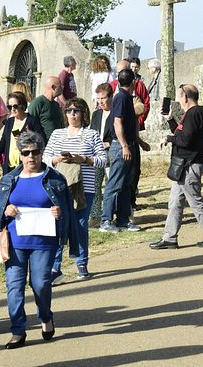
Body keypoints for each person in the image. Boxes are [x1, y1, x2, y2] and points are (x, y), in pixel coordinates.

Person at [0, 130, 74, 349]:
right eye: (26, 152)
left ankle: (45, 317)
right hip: (15, 242)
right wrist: (6, 210)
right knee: (14, 287)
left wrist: (59, 213)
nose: (31, 157)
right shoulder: (9, 179)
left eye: (36, 152)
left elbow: (67, 212)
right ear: (20, 154)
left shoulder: (55, 179)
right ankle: (18, 330)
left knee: (40, 284)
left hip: (43, 243)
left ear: (42, 152)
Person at [150, 84, 203, 249]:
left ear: (185, 97)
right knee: (175, 202)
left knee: (195, 201)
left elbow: (185, 140)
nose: (177, 100)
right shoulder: (192, 114)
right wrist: (170, 120)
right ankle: (169, 238)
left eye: (179, 96)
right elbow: (182, 134)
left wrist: (168, 138)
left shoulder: (195, 113)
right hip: (184, 165)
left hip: (189, 165)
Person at [43, 97, 106, 281]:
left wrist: (84, 159)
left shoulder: (91, 134)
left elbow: (103, 159)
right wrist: (56, 160)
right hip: (60, 188)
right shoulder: (57, 134)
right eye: (69, 110)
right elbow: (46, 157)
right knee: (59, 226)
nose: (72, 114)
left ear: (83, 114)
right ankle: (55, 268)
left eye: (76, 111)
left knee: (80, 225)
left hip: (84, 187)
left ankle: (81, 262)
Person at [100, 69, 140, 233]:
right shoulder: (121, 98)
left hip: (128, 145)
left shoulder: (126, 98)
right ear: (133, 82)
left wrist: (138, 142)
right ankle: (106, 220)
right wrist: (124, 145)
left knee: (125, 185)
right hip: (120, 147)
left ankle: (123, 219)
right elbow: (117, 123)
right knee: (114, 184)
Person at [0, 92, 46, 175]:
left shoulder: (32, 121)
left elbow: (42, 140)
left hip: (25, 165)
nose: (12, 109)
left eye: (15, 106)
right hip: (9, 165)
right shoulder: (9, 122)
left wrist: (26, 138)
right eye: (10, 107)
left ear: (23, 106)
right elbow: (4, 141)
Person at [89, 83, 113, 226]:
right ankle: (95, 216)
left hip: (112, 154)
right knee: (95, 185)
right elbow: (93, 133)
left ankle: (111, 214)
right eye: (98, 98)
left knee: (112, 185)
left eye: (103, 98)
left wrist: (109, 144)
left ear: (110, 97)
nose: (100, 102)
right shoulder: (96, 114)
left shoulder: (116, 113)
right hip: (97, 155)